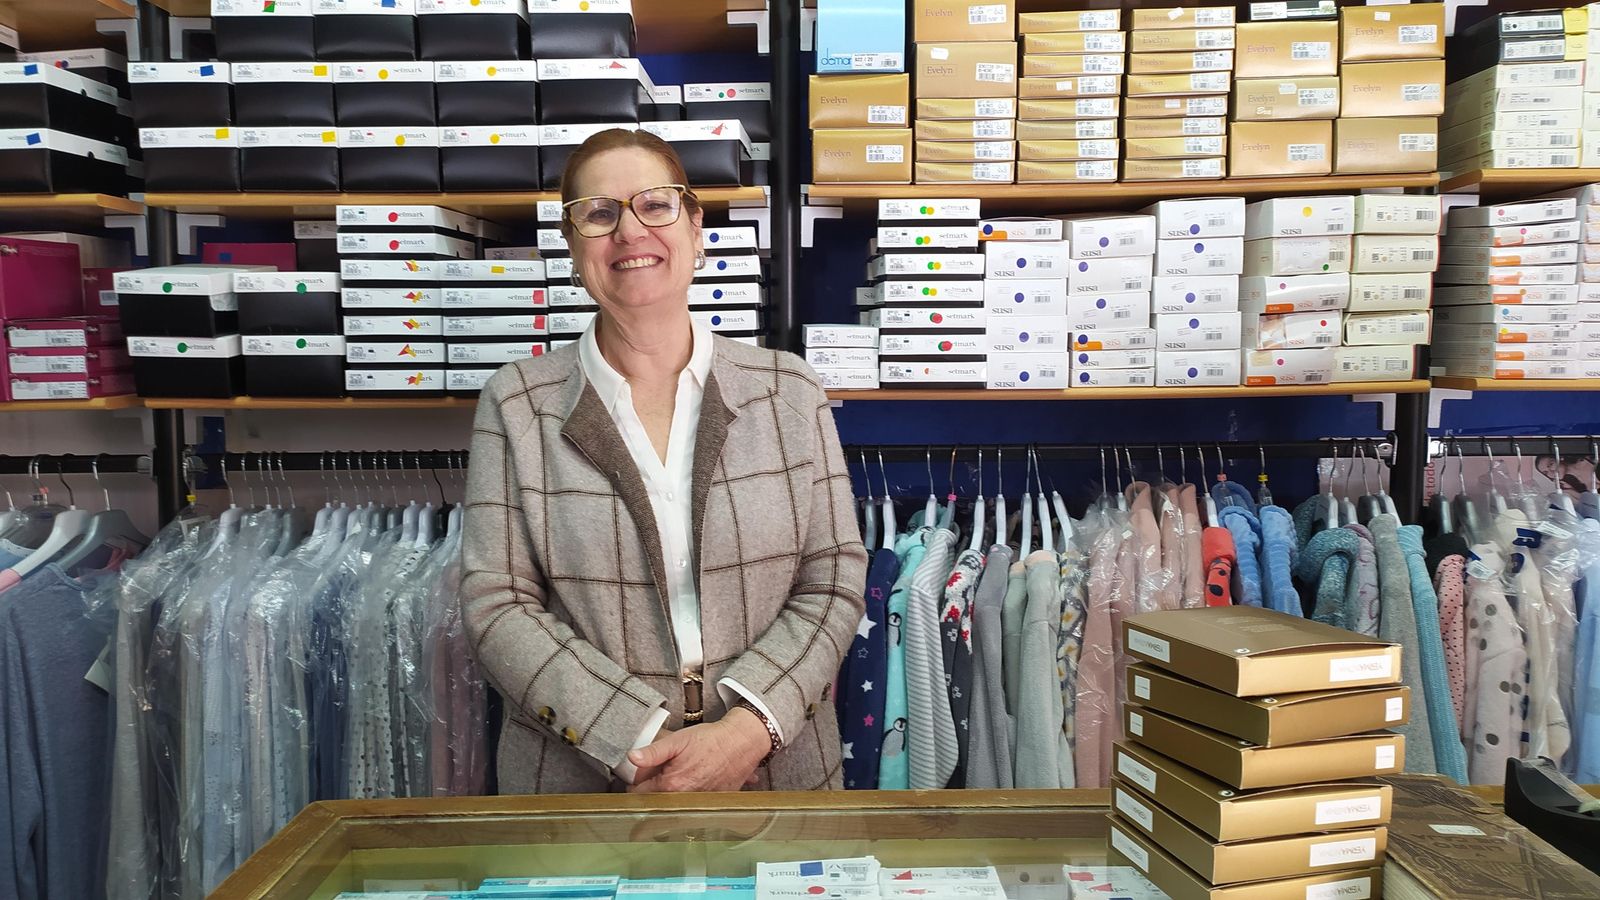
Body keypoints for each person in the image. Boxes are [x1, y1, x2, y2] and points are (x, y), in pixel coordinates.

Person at [462, 128, 867, 794]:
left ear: (695, 226)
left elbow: (834, 577)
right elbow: (496, 604)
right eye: (599, 213)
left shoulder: (789, 391)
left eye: (656, 204)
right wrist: (638, 744)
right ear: (571, 244)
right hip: (584, 785)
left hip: (776, 773)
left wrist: (746, 733)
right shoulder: (516, 404)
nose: (630, 231)